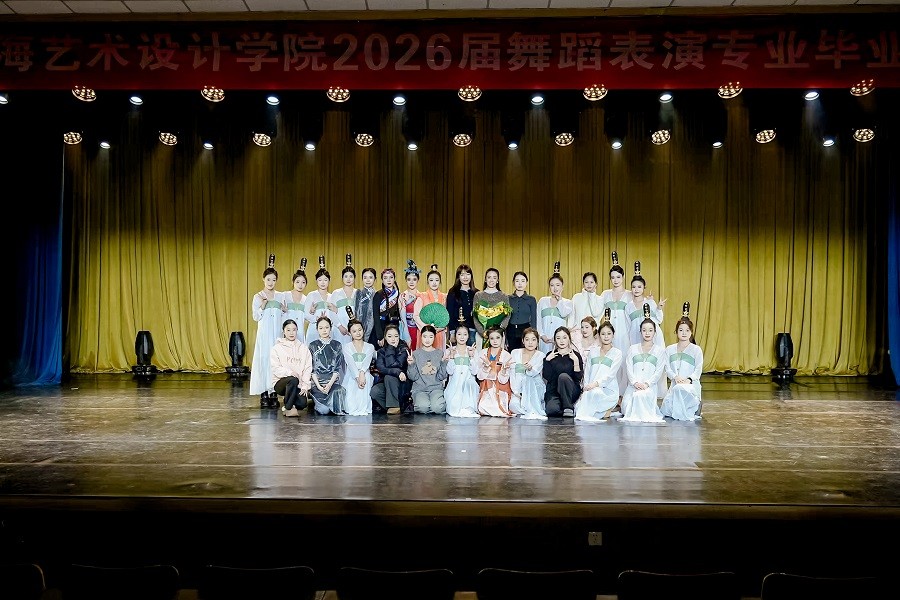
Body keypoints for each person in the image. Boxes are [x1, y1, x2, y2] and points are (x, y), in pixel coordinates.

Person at [624, 261, 667, 398]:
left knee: (654, 361)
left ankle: (657, 392)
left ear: (644, 288)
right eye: (634, 287)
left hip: (652, 335)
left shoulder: (650, 302)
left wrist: (659, 308)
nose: (636, 289)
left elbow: (658, 320)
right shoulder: (628, 306)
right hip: (636, 336)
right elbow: (628, 325)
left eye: (639, 287)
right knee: (639, 362)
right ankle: (639, 387)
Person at [250, 254, 287, 409]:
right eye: (268, 279)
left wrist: (284, 310)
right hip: (264, 335)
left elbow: (284, 316)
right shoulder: (258, 296)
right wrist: (263, 306)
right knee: (264, 360)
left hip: (276, 334)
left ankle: (274, 392)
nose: (271, 282)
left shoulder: (281, 296)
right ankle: (264, 393)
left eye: (273, 280)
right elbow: (255, 316)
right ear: (263, 279)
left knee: (276, 362)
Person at [621, 305, 667, 423]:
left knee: (641, 399)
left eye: (650, 330)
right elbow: (629, 368)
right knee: (626, 409)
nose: (647, 333)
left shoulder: (659, 351)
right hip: (633, 386)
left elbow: (658, 372)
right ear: (640, 332)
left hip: (649, 387)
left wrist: (647, 384)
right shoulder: (632, 349)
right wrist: (635, 383)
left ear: (655, 332)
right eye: (644, 330)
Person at [575, 317, 623, 422]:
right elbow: (587, 372)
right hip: (591, 388)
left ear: (613, 335)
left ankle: (606, 409)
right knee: (578, 408)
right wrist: (586, 387)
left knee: (595, 394)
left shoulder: (617, 353)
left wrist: (595, 384)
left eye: (609, 334)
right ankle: (604, 412)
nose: (606, 336)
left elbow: (610, 375)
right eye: (603, 334)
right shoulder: (593, 352)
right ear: (599, 335)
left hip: (608, 390)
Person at [662, 304, 704, 421]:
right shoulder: (669, 349)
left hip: (690, 385)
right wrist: (675, 377)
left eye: (687, 330)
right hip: (675, 384)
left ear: (691, 332)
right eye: (681, 330)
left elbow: (698, 369)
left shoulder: (696, 350)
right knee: (667, 410)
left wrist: (689, 379)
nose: (684, 333)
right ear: (676, 332)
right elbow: (667, 368)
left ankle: (695, 403)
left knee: (685, 409)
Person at [599, 252, 631, 396]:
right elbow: (596, 310)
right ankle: (611, 393)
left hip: (625, 332)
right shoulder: (605, 294)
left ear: (623, 277)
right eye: (613, 277)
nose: (615, 280)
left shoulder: (630, 294)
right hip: (609, 332)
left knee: (624, 361)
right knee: (610, 361)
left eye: (618, 277)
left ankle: (623, 394)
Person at [269, 319, 313, 417]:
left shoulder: (303, 348)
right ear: (283, 331)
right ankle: (288, 408)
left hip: (298, 384)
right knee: (293, 379)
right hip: (281, 383)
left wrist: (305, 385)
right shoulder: (276, 348)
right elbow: (275, 368)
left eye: (294, 330)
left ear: (297, 331)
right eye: (288, 330)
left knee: (302, 404)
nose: (291, 333)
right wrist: (289, 372)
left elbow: (307, 368)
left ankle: (289, 402)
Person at [307, 316, 347, 415]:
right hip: (318, 384)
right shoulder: (312, 345)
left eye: (326, 327)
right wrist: (319, 386)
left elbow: (337, 368)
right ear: (317, 329)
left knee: (340, 390)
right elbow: (311, 369)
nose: (324, 330)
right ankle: (319, 403)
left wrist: (329, 385)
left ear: (331, 328)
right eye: (321, 328)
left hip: (332, 383)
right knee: (324, 411)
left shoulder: (337, 345)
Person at [542, 326, 584, 418]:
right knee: (551, 410)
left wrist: (576, 361)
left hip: (571, 391)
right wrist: (547, 361)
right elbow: (547, 377)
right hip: (554, 391)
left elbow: (578, 378)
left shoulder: (576, 355)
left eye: (564, 337)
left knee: (563, 377)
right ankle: (563, 406)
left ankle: (568, 407)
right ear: (555, 340)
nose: (561, 341)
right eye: (558, 338)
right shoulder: (550, 355)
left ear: (569, 339)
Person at [371, 324, 413, 415]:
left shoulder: (403, 349)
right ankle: (397, 407)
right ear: (385, 337)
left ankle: (394, 407)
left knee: (389, 377)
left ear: (399, 337)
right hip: (388, 384)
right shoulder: (381, 351)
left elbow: (394, 365)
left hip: (403, 383)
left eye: (396, 336)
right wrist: (398, 372)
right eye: (390, 336)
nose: (393, 339)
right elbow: (381, 368)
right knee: (375, 391)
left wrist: (391, 348)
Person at [508, 327, 547, 420]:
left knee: (529, 379)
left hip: (534, 386)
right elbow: (512, 372)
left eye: (533, 340)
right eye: (527, 339)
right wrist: (516, 391)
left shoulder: (541, 355)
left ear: (537, 342)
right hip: (518, 387)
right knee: (513, 405)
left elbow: (534, 373)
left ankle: (533, 408)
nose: (530, 343)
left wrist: (529, 369)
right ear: (523, 341)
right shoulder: (515, 353)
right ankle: (527, 410)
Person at [408, 325, 448, 414]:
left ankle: (432, 406)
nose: (427, 339)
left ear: (434, 338)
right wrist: (411, 365)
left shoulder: (439, 353)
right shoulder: (415, 354)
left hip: (436, 388)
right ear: (421, 337)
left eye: (430, 337)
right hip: (420, 389)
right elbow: (413, 377)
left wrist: (444, 363)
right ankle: (426, 405)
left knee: (437, 408)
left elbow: (441, 376)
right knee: (423, 407)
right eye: (425, 336)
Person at [444, 324, 480, 418]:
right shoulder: (449, 351)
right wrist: (452, 357)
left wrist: (471, 357)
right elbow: (449, 372)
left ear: (468, 336)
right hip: (454, 387)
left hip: (468, 388)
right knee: (453, 409)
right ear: (455, 336)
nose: (462, 337)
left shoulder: (473, 350)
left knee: (468, 409)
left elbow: (475, 372)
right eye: (459, 334)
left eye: (465, 334)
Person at [476, 326, 514, 417]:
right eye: (492, 338)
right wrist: (486, 368)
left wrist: (504, 371)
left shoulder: (506, 355)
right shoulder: (482, 353)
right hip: (486, 388)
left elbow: (503, 381)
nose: (495, 341)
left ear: (502, 338)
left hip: (500, 388)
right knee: (482, 406)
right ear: (488, 339)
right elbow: (479, 376)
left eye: (497, 338)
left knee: (497, 408)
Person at [342, 318, 375, 416]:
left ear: (363, 330)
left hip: (365, 372)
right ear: (350, 333)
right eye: (354, 331)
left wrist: (362, 373)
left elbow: (367, 362)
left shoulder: (370, 347)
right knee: (353, 381)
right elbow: (351, 364)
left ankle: (363, 407)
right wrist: (357, 377)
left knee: (366, 378)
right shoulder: (347, 347)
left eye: (360, 330)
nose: (358, 333)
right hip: (352, 373)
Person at [537, 265, 573, 354]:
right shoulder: (542, 301)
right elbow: (538, 320)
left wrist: (560, 300)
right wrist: (542, 335)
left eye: (558, 285)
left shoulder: (568, 302)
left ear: (562, 286)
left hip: (560, 340)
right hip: (544, 340)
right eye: (552, 285)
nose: (555, 288)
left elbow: (564, 314)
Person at [473, 268, 511, 349]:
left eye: (494, 277)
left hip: (498, 335)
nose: (491, 280)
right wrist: (483, 332)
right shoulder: (478, 295)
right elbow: (475, 316)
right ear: (485, 279)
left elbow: (507, 315)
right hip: (481, 335)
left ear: (497, 280)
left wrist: (499, 330)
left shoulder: (504, 296)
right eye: (489, 277)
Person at [413, 264, 449, 350]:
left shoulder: (444, 297)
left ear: (440, 282)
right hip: (425, 333)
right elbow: (416, 316)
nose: (434, 283)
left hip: (439, 332)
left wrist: (441, 327)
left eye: (437, 280)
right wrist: (427, 328)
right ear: (427, 282)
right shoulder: (422, 296)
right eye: (431, 280)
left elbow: (446, 316)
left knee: (439, 354)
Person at [372, 268, 410, 347]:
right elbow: (376, 316)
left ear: (394, 279)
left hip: (395, 326)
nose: (388, 280)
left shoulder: (398, 294)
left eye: (391, 277)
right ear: (382, 280)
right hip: (382, 327)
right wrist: (380, 336)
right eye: (385, 278)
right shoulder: (378, 294)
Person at [568, 272, 605, 349]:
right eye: (586, 282)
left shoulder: (600, 299)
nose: (589, 284)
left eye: (591, 282)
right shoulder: (576, 297)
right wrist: (569, 329)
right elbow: (572, 315)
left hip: (593, 335)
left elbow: (595, 313)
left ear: (596, 284)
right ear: (583, 284)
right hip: (577, 333)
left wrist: (592, 295)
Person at [305, 257, 337, 345]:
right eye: (320, 280)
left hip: (328, 330)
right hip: (314, 329)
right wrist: (317, 318)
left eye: (325, 280)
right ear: (316, 281)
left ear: (329, 281)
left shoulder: (332, 296)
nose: (323, 282)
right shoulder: (311, 295)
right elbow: (306, 314)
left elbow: (335, 314)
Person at [446, 264, 478, 346]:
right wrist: (452, 333)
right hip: (458, 332)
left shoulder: (477, 293)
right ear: (458, 277)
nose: (465, 277)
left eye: (468, 274)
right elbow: (450, 313)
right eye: (462, 275)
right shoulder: (453, 292)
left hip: (473, 331)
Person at [328, 254, 357, 345]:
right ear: (342, 278)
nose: (348, 279)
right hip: (339, 329)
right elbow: (331, 312)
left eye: (351, 276)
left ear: (354, 278)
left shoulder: (358, 293)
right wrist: (339, 326)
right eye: (346, 276)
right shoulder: (336, 293)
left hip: (354, 329)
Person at [507, 271, 538, 351]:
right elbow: (505, 318)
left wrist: (534, 336)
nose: (520, 283)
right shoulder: (508, 298)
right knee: (512, 354)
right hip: (511, 330)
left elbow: (534, 319)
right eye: (517, 281)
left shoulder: (531, 299)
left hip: (526, 330)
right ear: (513, 283)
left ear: (526, 283)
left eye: (523, 281)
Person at [353, 267, 378, 345]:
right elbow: (356, 311)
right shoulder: (359, 292)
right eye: (365, 277)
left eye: (370, 277)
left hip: (374, 329)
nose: (368, 280)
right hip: (361, 326)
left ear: (375, 279)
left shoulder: (377, 294)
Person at [402, 259, 422, 350]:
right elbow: (402, 318)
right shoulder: (402, 296)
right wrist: (406, 335)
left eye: (414, 279)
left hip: (419, 329)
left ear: (418, 280)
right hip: (406, 328)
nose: (411, 282)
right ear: (406, 280)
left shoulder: (422, 296)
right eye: (409, 279)